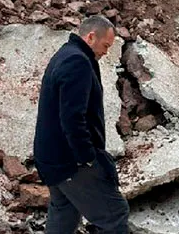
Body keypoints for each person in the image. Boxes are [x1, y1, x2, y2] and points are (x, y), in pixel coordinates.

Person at [33, 15, 128, 234]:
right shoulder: (77, 62)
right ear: (91, 37)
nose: (106, 52)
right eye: (106, 46)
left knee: (64, 213)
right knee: (115, 215)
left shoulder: (66, 54)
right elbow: (73, 117)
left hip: (53, 158)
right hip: (70, 161)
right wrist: (87, 158)